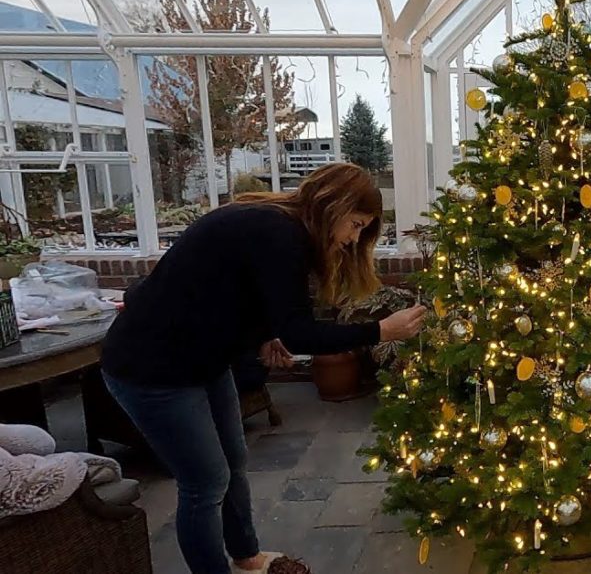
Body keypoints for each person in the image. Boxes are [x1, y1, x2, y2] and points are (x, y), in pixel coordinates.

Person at [101, 163, 426, 574]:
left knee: (233, 461)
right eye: (356, 225)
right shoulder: (277, 234)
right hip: (151, 368)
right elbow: (301, 334)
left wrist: (264, 333)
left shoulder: (277, 225)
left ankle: (246, 557)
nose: (352, 239)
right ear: (333, 205)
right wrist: (381, 331)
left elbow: (228, 290)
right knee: (205, 483)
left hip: (202, 359)